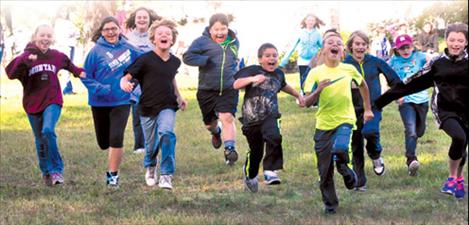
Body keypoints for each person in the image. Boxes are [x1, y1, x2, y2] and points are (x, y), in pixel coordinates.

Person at [376, 23, 468, 199]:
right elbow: (411, 82)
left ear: (466, 42)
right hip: (445, 110)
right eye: (452, 39)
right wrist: (380, 102)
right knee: (459, 137)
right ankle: (451, 178)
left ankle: (458, 178)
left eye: (460, 40)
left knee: (463, 145)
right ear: (446, 40)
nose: (456, 43)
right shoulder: (437, 63)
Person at [303, 30, 374, 214]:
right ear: (323, 51)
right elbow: (306, 102)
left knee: (341, 149)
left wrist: (367, 109)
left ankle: (345, 169)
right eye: (330, 42)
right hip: (323, 124)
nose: (335, 44)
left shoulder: (349, 69)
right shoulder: (315, 73)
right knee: (324, 170)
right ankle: (330, 205)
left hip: (345, 119)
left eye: (338, 43)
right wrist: (318, 91)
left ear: (343, 51)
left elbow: (363, 86)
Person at [5, 24, 85, 186]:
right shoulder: (25, 57)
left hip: (53, 100)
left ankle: (57, 171)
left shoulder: (57, 56)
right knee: (39, 139)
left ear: (52, 38)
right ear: (35, 37)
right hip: (32, 103)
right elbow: (10, 73)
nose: (46, 38)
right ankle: (46, 171)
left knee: (48, 130)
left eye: (49, 36)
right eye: (42, 35)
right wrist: (25, 59)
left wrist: (83, 73)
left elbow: (73, 68)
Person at [121, 19, 187, 190]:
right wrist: (124, 83)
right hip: (147, 107)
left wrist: (179, 97)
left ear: (172, 39)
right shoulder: (145, 60)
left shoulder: (175, 61)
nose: (164, 36)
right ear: (153, 39)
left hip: (168, 105)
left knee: (166, 134)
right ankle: (151, 167)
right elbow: (127, 76)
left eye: (168, 34)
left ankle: (166, 175)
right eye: (160, 34)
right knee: (150, 147)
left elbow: (170, 77)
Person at [233, 43, 304, 192]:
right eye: (267, 56)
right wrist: (252, 79)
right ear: (260, 59)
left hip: (270, 115)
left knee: (274, 137)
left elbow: (284, 86)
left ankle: (271, 171)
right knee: (256, 152)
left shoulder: (279, 73)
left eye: (274, 55)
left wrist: (298, 95)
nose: (272, 58)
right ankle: (250, 176)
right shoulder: (252, 70)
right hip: (251, 118)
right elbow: (236, 84)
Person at [81, 16, 142, 188]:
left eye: (114, 28)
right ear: (102, 32)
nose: (111, 32)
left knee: (116, 137)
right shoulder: (95, 52)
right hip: (99, 102)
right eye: (107, 29)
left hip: (121, 100)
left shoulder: (129, 48)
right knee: (103, 142)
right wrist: (101, 89)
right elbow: (85, 75)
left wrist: (133, 82)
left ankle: (113, 176)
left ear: (119, 29)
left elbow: (144, 64)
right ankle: (109, 154)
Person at [343, 31, 401, 191]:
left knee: (370, 132)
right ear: (351, 46)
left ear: (367, 46)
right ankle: (360, 182)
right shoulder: (345, 64)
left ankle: (375, 155)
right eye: (357, 44)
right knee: (355, 144)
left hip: (374, 106)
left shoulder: (375, 61)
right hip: (351, 108)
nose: (360, 47)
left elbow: (394, 79)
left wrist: (397, 95)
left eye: (363, 44)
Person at [183, 13, 240, 165]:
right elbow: (187, 57)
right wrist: (204, 60)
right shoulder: (201, 42)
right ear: (210, 29)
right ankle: (216, 132)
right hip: (207, 89)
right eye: (216, 29)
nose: (220, 32)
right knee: (210, 124)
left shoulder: (234, 42)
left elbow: (235, 60)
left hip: (229, 87)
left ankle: (229, 151)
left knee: (227, 117)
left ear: (228, 28)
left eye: (223, 29)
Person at [388, 34, 430, 176]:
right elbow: (386, 76)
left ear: (412, 46)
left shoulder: (419, 56)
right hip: (405, 101)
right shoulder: (394, 61)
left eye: (407, 47)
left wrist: (430, 61)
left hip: (422, 100)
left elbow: (433, 60)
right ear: (397, 49)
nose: (405, 50)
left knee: (420, 131)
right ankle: (411, 160)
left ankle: (412, 149)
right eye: (402, 48)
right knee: (411, 131)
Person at [125, 7, 161, 154]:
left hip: (152, 79)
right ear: (135, 19)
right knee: (137, 113)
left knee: (153, 113)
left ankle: (153, 143)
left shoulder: (154, 36)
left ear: (149, 19)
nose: (141, 19)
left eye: (144, 17)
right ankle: (139, 145)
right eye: (139, 17)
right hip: (134, 79)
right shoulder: (128, 38)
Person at [279, 14, 324, 95]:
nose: (310, 22)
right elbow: (292, 47)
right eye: (309, 20)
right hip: (302, 59)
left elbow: (323, 46)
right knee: (303, 77)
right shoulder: (300, 33)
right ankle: (303, 94)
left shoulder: (317, 34)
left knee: (313, 78)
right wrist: (283, 62)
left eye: (312, 20)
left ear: (315, 22)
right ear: (305, 21)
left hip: (313, 60)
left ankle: (313, 97)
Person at [54, 9, 80, 95]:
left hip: (71, 45)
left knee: (69, 67)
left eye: (65, 11)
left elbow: (78, 33)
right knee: (66, 68)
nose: (64, 13)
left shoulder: (69, 22)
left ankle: (68, 89)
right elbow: (63, 34)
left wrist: (73, 33)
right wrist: (72, 33)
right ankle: (63, 89)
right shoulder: (58, 22)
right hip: (64, 46)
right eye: (62, 11)